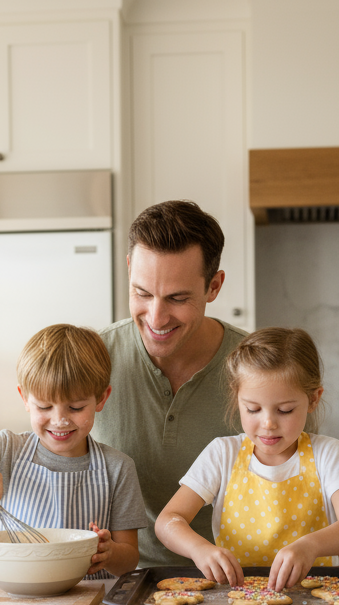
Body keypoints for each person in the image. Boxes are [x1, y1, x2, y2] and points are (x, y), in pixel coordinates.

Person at [0, 324, 145, 578]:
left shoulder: (118, 468)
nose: (59, 420)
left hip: (90, 597)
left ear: (101, 399)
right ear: (24, 398)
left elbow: (129, 560)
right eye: (44, 407)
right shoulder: (6, 450)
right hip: (9, 596)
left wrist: (110, 553)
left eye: (75, 408)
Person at [91, 200, 249, 568]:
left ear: (214, 286)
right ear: (129, 269)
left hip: (236, 581)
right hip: (121, 578)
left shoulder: (260, 368)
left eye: (177, 298)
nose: (157, 317)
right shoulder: (93, 358)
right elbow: (40, 460)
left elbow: (311, 485)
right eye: (142, 293)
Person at [155, 327, 339, 590]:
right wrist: (199, 549)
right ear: (237, 398)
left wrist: (310, 545)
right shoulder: (223, 454)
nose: (268, 423)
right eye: (253, 409)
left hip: (314, 598)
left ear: (313, 399)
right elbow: (168, 520)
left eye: (285, 410)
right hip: (237, 599)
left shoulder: (326, 453)